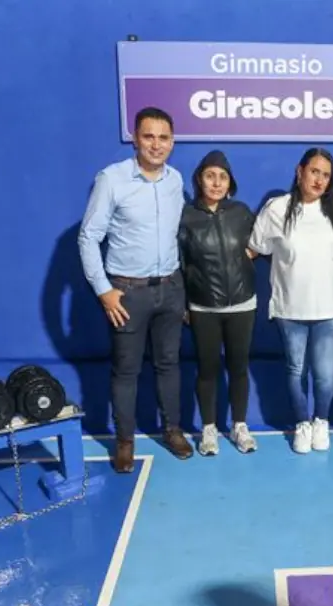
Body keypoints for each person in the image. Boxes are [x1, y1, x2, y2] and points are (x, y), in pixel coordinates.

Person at [77, 106, 194, 473]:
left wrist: (184, 292)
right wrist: (103, 290)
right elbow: (88, 237)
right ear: (134, 138)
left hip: (171, 288)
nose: (156, 145)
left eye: (163, 138)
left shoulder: (176, 180)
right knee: (126, 372)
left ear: (172, 142)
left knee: (169, 365)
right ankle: (124, 441)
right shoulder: (112, 180)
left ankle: (172, 430)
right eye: (149, 136)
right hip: (127, 293)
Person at [249, 148, 333, 454]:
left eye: (326, 175)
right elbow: (253, 249)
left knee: (325, 376)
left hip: (329, 309)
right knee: (295, 371)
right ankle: (302, 423)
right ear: (299, 171)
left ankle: (322, 421)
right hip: (289, 309)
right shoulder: (276, 208)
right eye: (314, 171)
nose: (319, 179)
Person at [177, 150, 259, 455]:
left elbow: (259, 245)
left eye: (222, 177)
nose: (216, 182)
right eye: (210, 176)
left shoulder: (241, 212)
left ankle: (239, 426)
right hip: (203, 307)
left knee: (239, 368)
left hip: (242, 304)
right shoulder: (186, 216)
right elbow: (179, 262)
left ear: (230, 182)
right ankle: (208, 429)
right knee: (207, 369)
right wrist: (184, 304)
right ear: (199, 179)